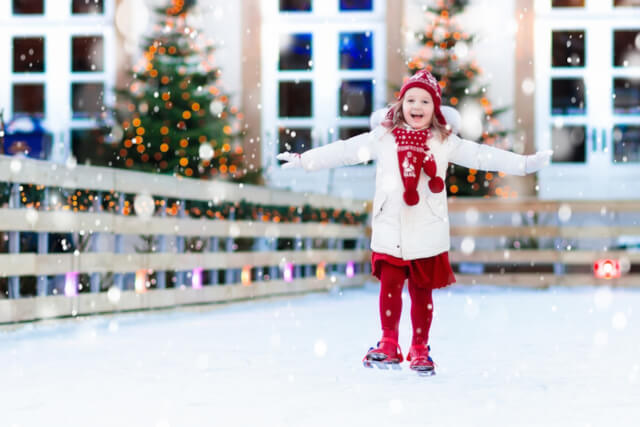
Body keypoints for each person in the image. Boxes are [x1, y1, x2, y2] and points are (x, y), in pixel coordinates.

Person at [277, 69, 552, 374]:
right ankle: (389, 343)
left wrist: (524, 164)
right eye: (410, 99)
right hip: (390, 227)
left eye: (424, 100)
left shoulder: (444, 141)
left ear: (435, 108)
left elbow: (481, 156)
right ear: (400, 104)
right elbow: (346, 151)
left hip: (426, 229)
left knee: (422, 293)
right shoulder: (383, 137)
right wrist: (306, 161)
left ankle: (420, 349)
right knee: (390, 289)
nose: (416, 106)